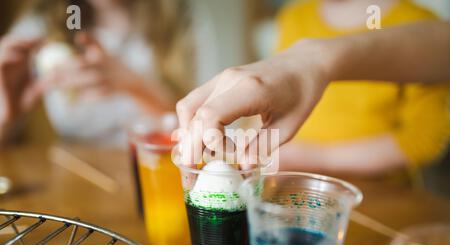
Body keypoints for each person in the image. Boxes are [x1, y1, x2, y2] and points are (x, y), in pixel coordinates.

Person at [177, 3, 450, 177]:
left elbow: (425, 140)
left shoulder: (418, 21)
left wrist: (316, 157)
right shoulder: (295, 17)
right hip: (293, 180)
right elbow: (272, 106)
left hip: (382, 196)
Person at [0, 0, 215, 147]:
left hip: (156, 169)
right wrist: (5, 117)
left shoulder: (179, 18)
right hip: (75, 180)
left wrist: (134, 85)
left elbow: (202, 131)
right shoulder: (41, 23)